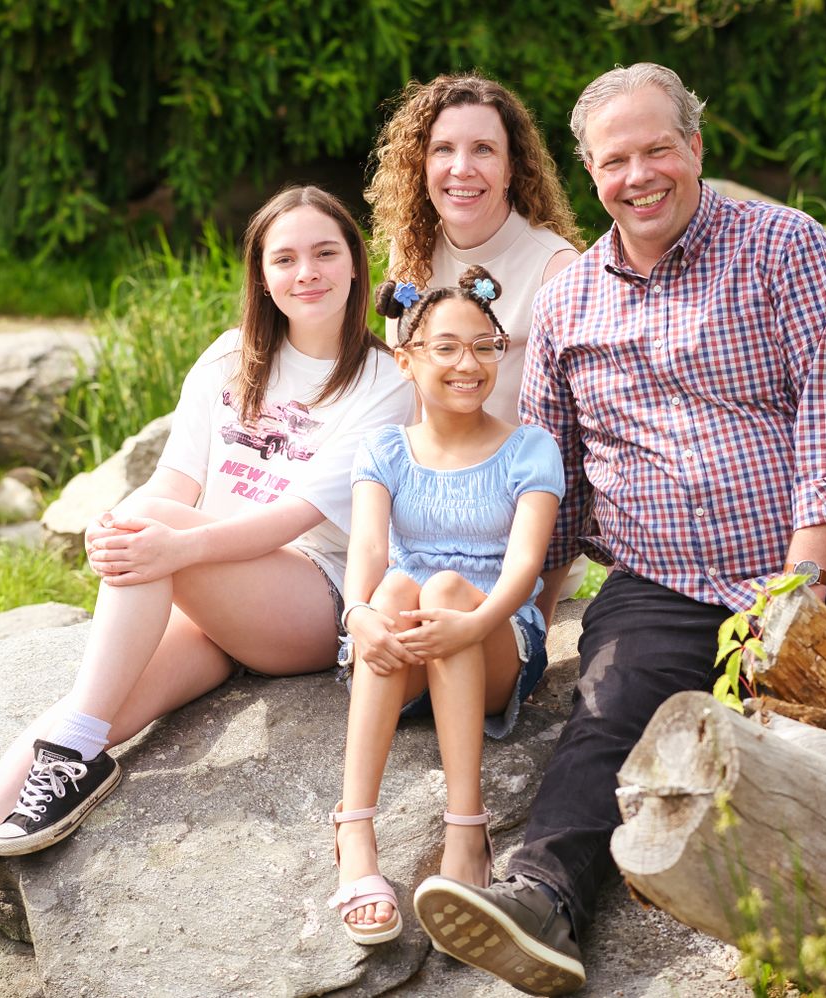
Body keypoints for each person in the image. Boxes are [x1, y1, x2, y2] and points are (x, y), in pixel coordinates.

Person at [411, 64, 826, 995]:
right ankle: (541, 899)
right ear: (590, 173)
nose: (639, 175)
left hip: (817, 568)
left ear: (695, 148)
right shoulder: (567, 301)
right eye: (615, 159)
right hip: (660, 586)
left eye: (657, 149)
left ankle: (766, 777)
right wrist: (519, 613)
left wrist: (796, 592)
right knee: (605, 711)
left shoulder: (785, 247)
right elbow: (554, 479)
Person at [0, 186, 414, 943]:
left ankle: (71, 759)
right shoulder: (231, 357)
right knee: (91, 710)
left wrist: (167, 542)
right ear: (261, 276)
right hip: (209, 602)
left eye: (326, 252)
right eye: (284, 258)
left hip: (305, 600)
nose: (307, 272)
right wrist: (116, 529)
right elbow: (174, 485)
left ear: (357, 265)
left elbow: (296, 521)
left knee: (147, 534)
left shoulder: (387, 384)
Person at [328, 266, 563, 945]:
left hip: (491, 640)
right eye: (448, 348)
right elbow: (369, 551)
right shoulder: (386, 450)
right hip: (400, 654)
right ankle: (355, 833)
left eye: (485, 347)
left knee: (444, 588)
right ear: (406, 360)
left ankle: (468, 830)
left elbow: (525, 565)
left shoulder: (529, 447)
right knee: (398, 588)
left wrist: (473, 619)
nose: (470, 363)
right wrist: (359, 615)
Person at [367, 73, 588, 602]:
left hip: (512, 550)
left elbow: (576, 451)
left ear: (513, 168)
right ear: (420, 165)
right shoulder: (410, 251)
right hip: (420, 536)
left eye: (484, 149)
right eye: (442, 149)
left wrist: (542, 598)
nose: (461, 168)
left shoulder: (557, 270)